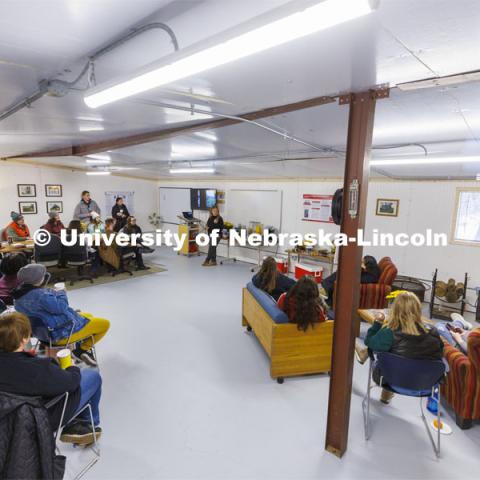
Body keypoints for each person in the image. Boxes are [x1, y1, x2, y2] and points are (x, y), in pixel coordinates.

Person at [0, 311, 102, 444]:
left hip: (8, 427)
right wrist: (72, 368)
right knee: (92, 376)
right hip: (39, 423)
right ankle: (85, 425)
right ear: (25, 338)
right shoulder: (37, 367)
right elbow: (71, 383)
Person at [13, 264, 110, 367]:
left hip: (41, 334)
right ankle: (81, 350)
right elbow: (61, 307)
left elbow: (40, 306)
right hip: (60, 334)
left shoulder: (18, 296)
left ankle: (79, 343)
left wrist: (50, 293)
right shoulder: (41, 295)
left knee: (88, 315)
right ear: (39, 279)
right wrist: (61, 293)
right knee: (104, 324)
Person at [358, 291, 444, 404]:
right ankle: (385, 396)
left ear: (395, 309)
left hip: (391, 381)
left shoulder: (389, 332)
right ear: (418, 309)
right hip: (424, 385)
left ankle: (363, 353)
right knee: (394, 355)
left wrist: (378, 322)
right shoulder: (433, 332)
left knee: (381, 351)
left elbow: (369, 341)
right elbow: (439, 354)